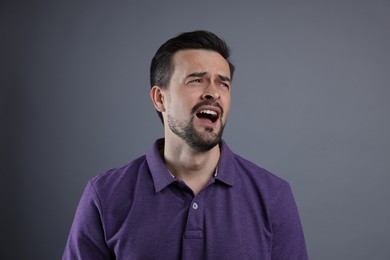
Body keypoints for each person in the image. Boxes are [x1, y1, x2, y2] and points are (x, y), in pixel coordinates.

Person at [63, 30, 308, 260]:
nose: (213, 92)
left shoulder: (274, 195)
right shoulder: (105, 195)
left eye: (223, 83)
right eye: (196, 80)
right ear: (160, 98)